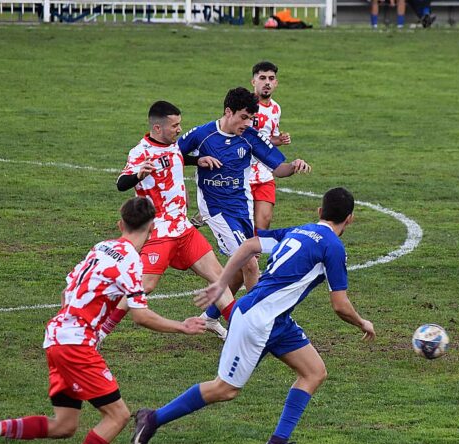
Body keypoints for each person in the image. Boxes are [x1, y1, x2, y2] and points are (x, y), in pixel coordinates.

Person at [0, 198, 206, 444]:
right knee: (118, 415)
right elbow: (141, 316)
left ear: (120, 224)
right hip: (75, 346)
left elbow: (68, 291)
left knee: (64, 425)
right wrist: (182, 326)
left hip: (56, 337)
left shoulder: (101, 247)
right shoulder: (131, 262)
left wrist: (91, 329)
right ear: (152, 229)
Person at [130, 187, 375, 444]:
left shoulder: (300, 230)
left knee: (314, 372)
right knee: (224, 389)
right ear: (350, 218)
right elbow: (340, 305)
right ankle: (153, 418)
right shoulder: (333, 247)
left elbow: (249, 245)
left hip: (277, 321)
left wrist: (222, 282)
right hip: (256, 321)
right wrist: (362, 322)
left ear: (319, 211)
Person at [178, 87, 311, 332]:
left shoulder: (250, 136)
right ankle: (256, 324)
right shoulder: (203, 134)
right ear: (228, 112)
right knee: (249, 263)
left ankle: (210, 317)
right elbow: (172, 155)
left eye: (251, 118)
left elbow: (279, 168)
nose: (247, 123)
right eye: (243, 117)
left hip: (242, 208)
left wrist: (294, 165)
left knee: (242, 266)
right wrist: (197, 160)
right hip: (215, 210)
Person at [102, 101, 236, 341]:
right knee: (144, 286)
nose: (179, 129)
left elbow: (174, 157)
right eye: (174, 125)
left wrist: (197, 160)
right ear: (157, 128)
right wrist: (138, 175)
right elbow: (121, 183)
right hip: (159, 231)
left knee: (219, 277)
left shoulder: (172, 144)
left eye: (179, 124)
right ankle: (100, 332)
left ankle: (242, 332)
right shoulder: (141, 152)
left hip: (183, 229)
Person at [249, 61, 292, 231]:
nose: (267, 82)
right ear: (254, 82)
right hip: (242, 171)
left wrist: (280, 139)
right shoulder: (246, 105)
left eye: (271, 78)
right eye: (262, 78)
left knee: (264, 220)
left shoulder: (276, 108)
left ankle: (255, 249)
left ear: (276, 83)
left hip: (264, 171)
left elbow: (269, 139)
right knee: (243, 223)